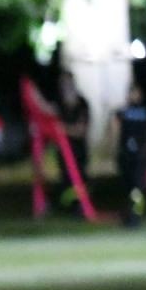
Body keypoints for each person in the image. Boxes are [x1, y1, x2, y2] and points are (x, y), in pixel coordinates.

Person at [110, 84, 146, 226]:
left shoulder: (145, 112)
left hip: (140, 155)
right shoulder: (123, 111)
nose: (133, 96)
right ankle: (127, 214)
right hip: (126, 154)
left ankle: (136, 215)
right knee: (127, 186)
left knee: (137, 187)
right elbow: (115, 128)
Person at [54, 74, 91, 211]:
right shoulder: (59, 104)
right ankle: (69, 206)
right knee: (66, 178)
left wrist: (64, 130)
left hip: (78, 149)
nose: (66, 87)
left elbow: (81, 130)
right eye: (63, 84)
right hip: (63, 150)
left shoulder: (82, 103)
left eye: (68, 84)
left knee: (80, 178)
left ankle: (81, 206)